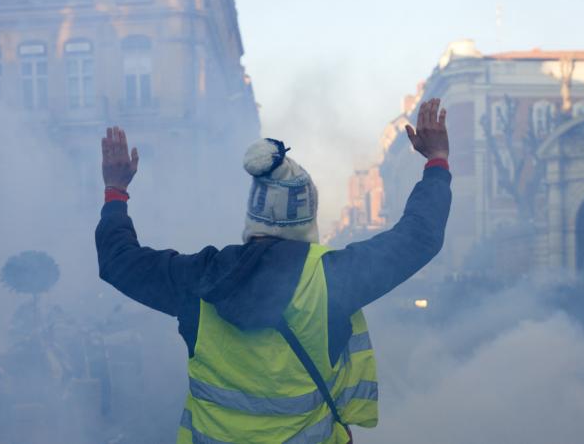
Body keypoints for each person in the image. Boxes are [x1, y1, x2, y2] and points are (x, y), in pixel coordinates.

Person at [96, 99, 453, 443]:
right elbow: (418, 237)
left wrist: (116, 191)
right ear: (306, 219)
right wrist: (436, 161)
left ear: (253, 213)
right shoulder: (330, 280)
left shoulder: (200, 278)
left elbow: (119, 260)